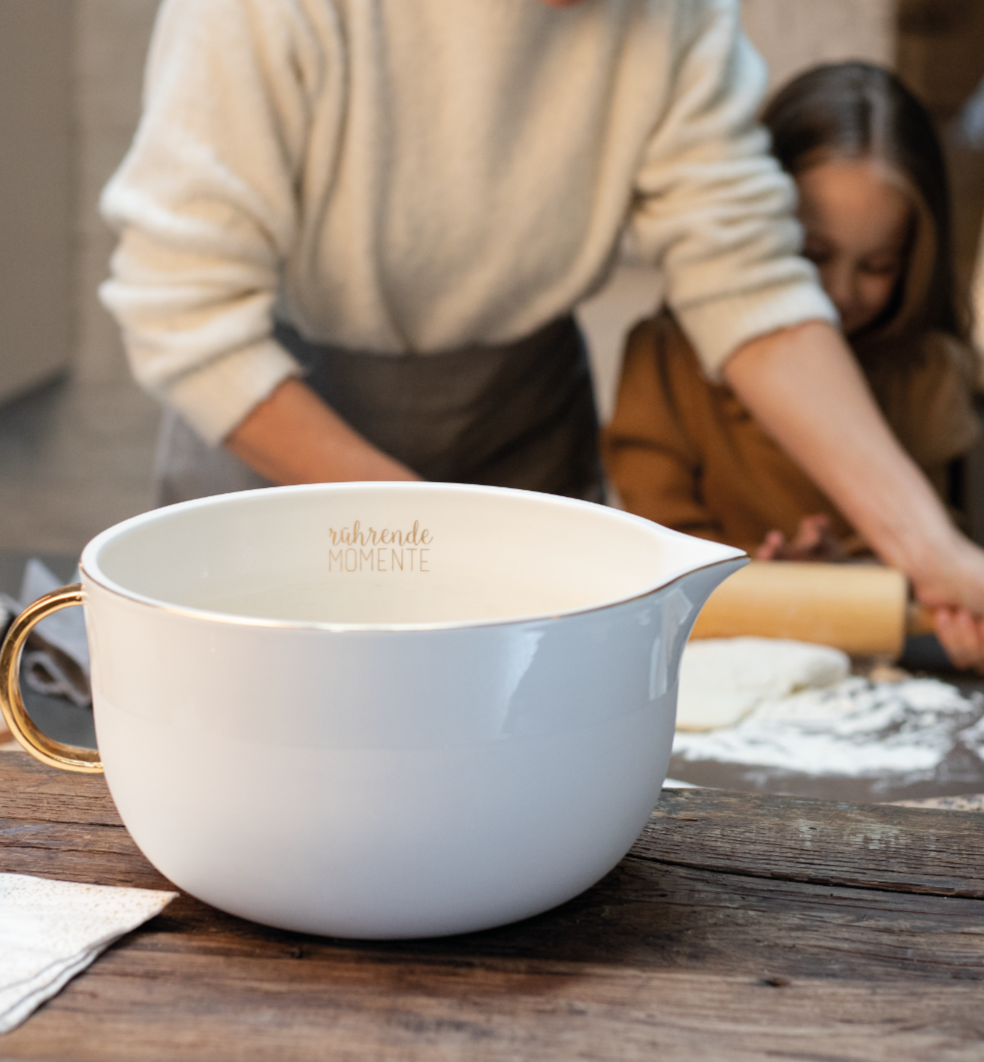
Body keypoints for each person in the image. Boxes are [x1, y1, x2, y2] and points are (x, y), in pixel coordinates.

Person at [99, 1, 984, 667]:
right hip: (280, 442)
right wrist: (443, 544)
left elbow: (747, 280)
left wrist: (933, 552)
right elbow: (187, 311)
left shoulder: (674, 16)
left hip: (518, 431)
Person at [604, 62, 981, 565]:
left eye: (878, 265)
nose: (837, 293)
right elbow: (649, 548)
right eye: (813, 254)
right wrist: (770, 583)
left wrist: (848, 575)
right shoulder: (664, 366)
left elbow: (936, 557)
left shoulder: (927, 377)